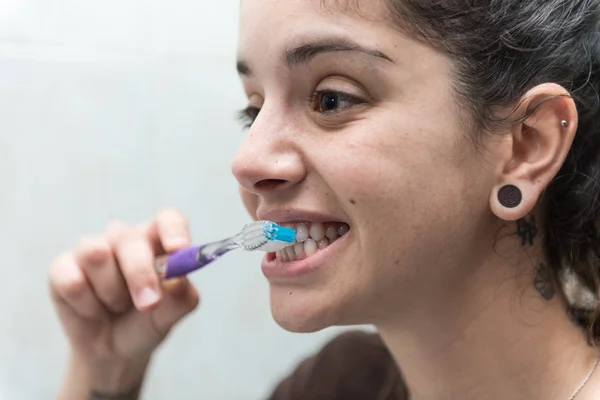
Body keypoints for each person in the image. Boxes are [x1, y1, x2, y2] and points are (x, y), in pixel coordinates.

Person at [48, 0, 600, 399]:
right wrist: (106, 372)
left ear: (527, 145)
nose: (247, 161)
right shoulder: (337, 384)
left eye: (331, 98)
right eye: (253, 108)